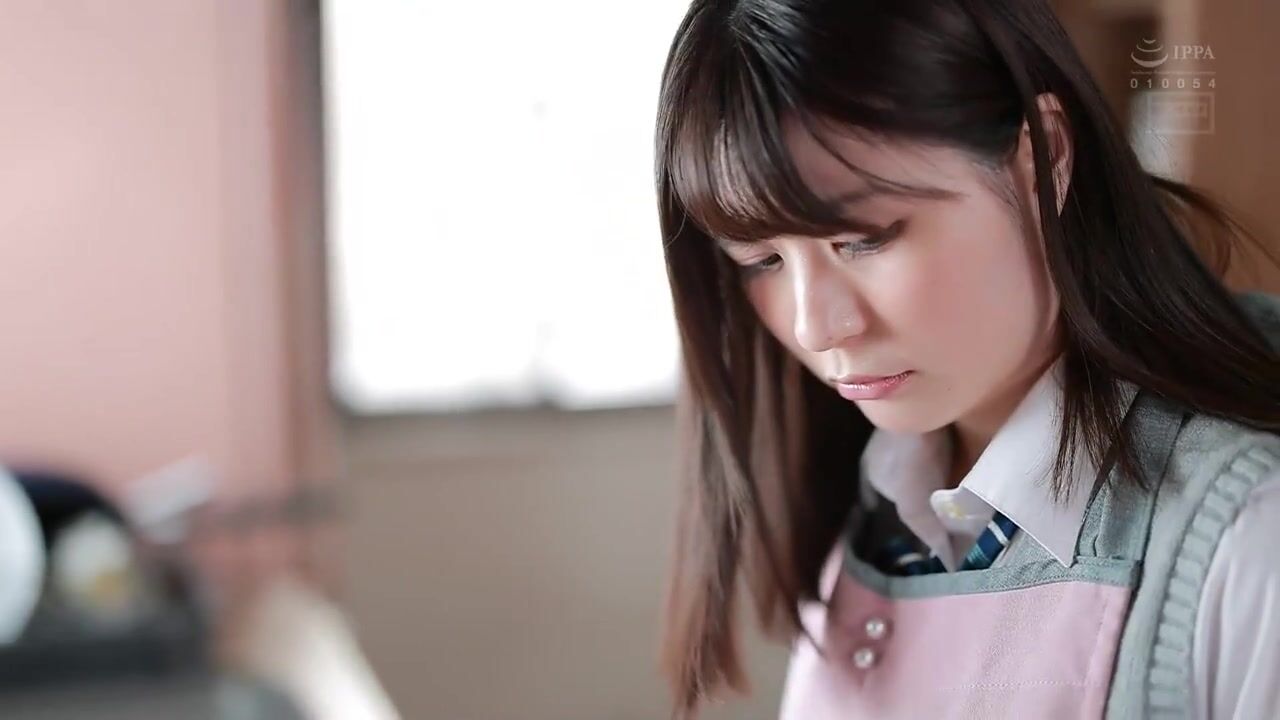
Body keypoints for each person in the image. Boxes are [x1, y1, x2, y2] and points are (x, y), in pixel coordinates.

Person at [652, 1, 1280, 718]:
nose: (816, 326)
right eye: (761, 260)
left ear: (1044, 158)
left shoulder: (1247, 535)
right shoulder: (873, 488)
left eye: (864, 240)